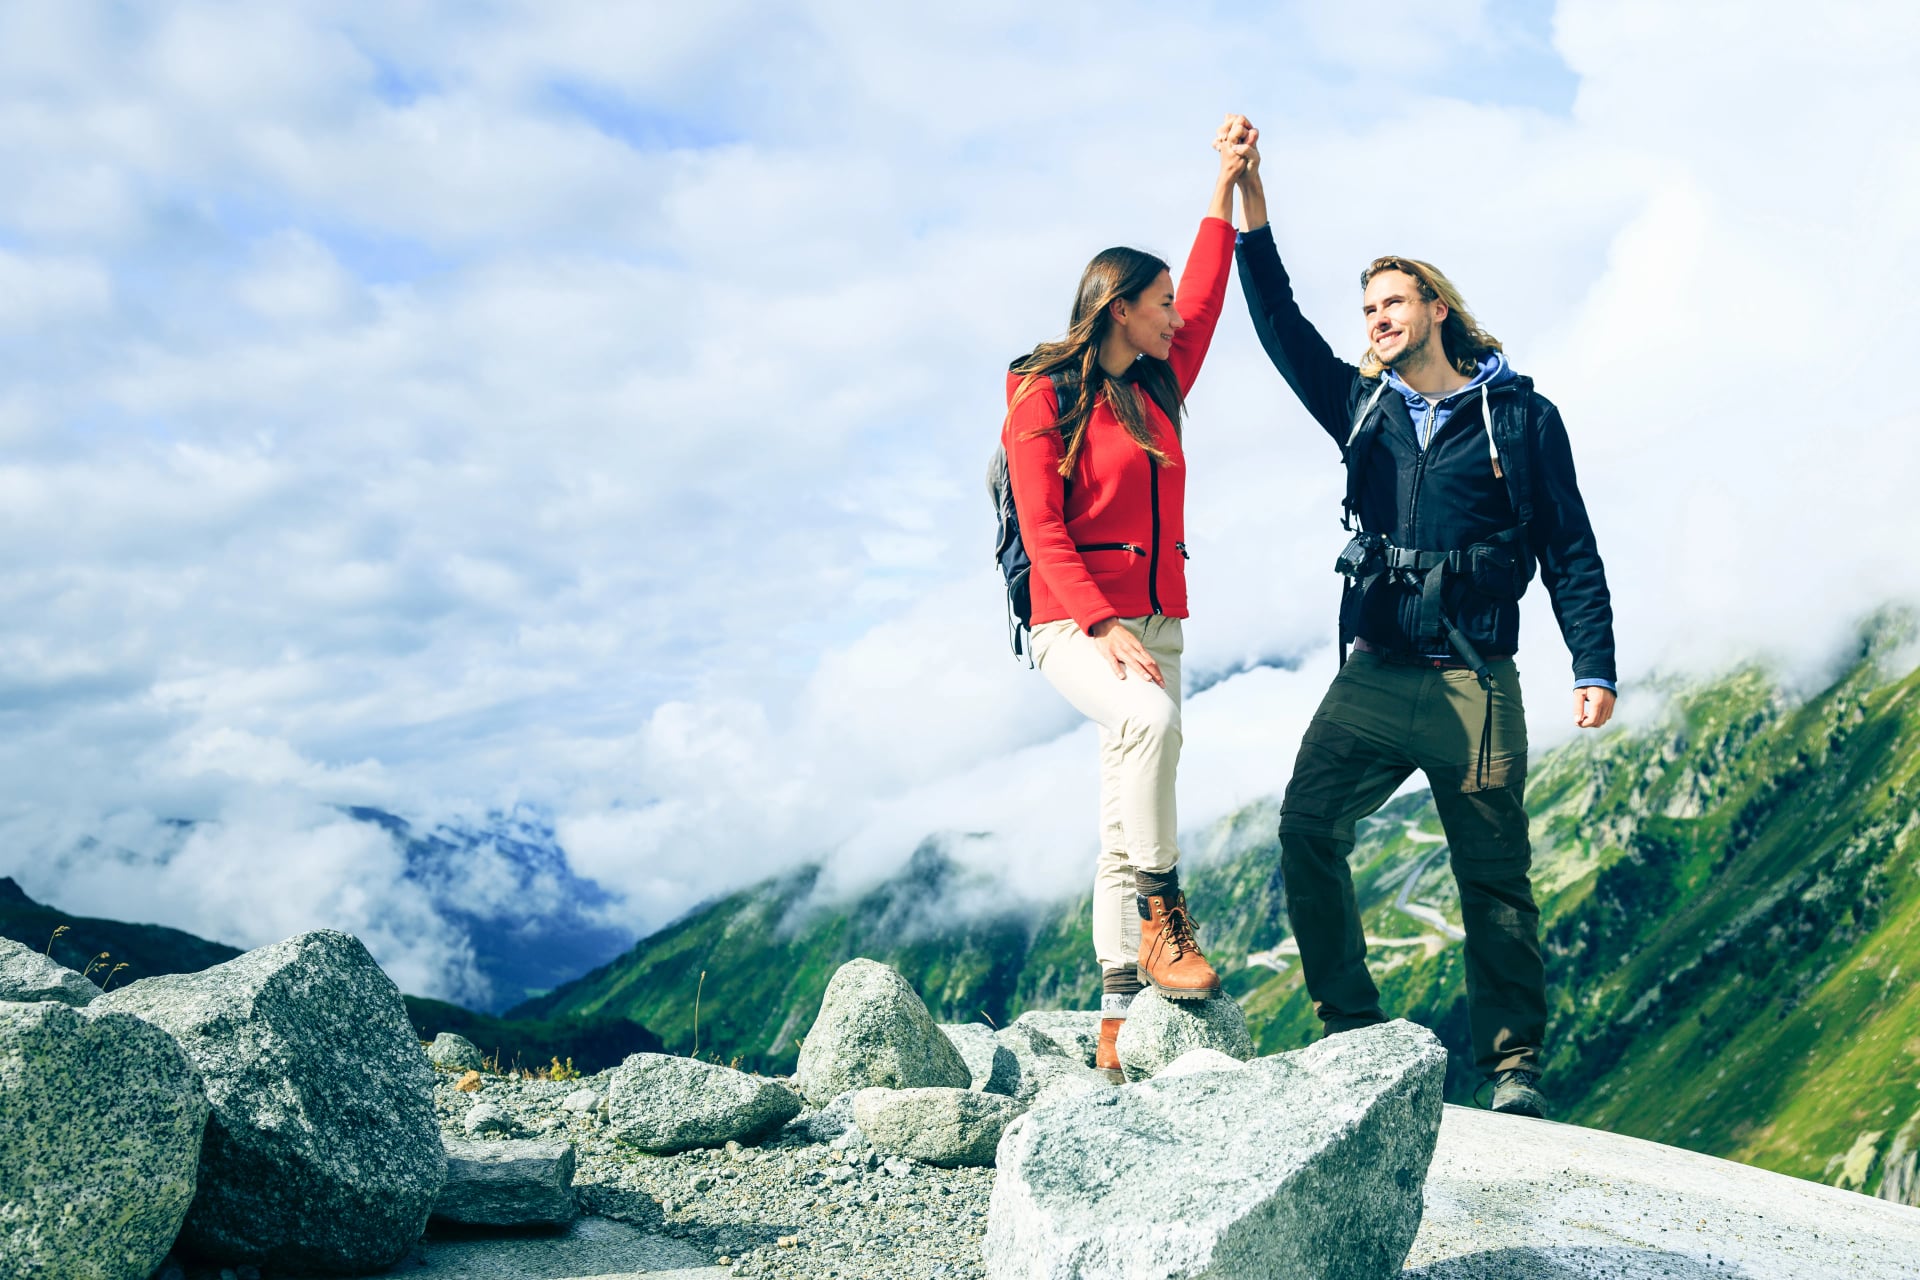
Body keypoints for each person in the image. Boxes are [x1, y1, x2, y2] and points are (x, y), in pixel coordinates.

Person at [1219, 113, 1618, 1117]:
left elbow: (1570, 543)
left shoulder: (1522, 418)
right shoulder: (1360, 406)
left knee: (1495, 875)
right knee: (1307, 826)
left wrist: (1593, 663)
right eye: (1368, 307)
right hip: (1376, 673)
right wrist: (1248, 199)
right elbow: (1278, 323)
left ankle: (1513, 1063)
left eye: (1393, 302)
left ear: (1435, 307)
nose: (1376, 319)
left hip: (1476, 681)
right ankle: (1351, 1030)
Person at [1002, 137, 1251, 1081]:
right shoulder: (1041, 391)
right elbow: (1041, 528)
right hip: (1072, 621)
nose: (1172, 318)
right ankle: (1164, 919)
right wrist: (1102, 625)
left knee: (1126, 805)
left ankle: (1114, 1025)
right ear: (1117, 309)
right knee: (1147, 724)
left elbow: (1209, 294)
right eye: (1157, 307)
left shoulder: (1158, 384)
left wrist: (1223, 191)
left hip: (1160, 620)